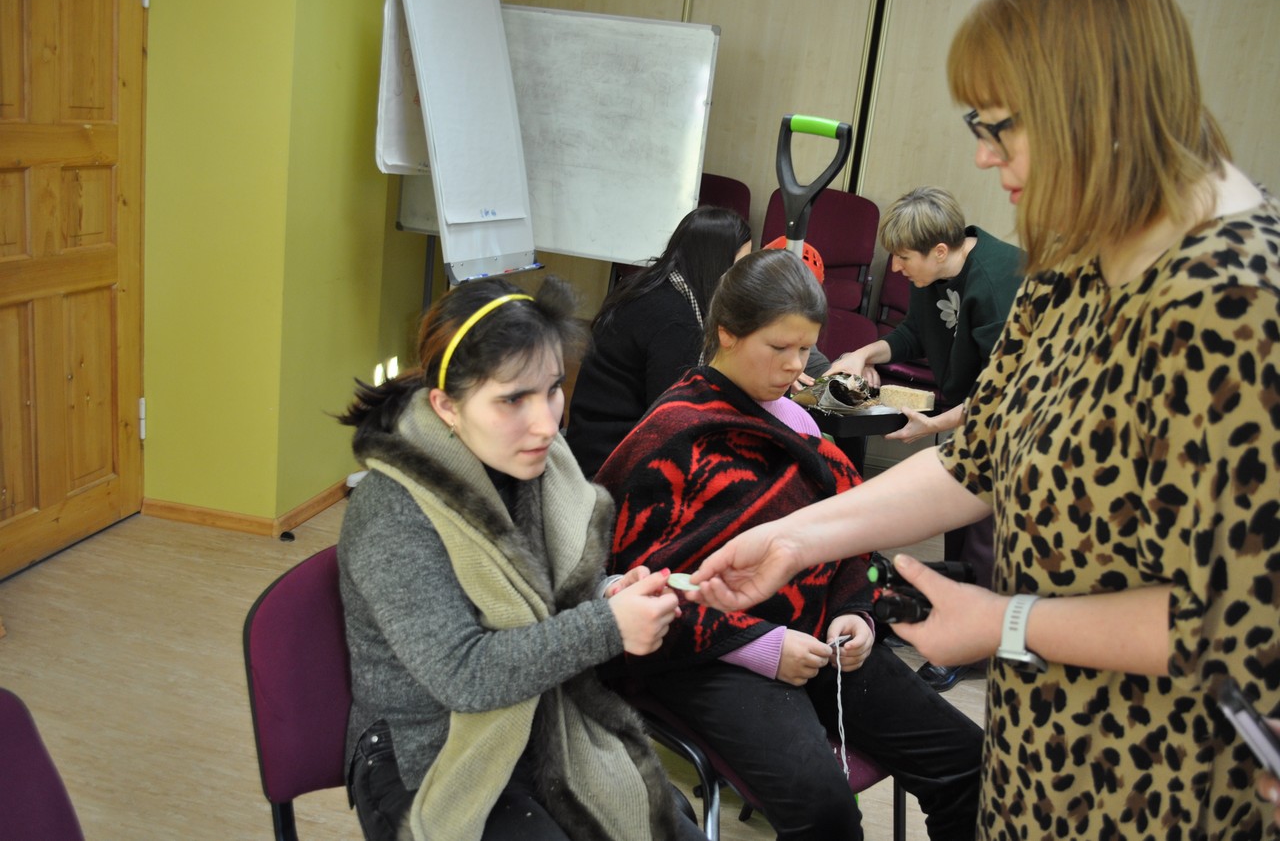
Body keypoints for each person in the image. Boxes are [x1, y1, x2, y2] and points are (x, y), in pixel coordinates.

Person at [687, 0, 1280, 839]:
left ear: (1097, 104)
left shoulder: (1238, 302)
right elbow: (977, 459)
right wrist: (796, 538)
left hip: (1155, 782)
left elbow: (1232, 620)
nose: (981, 153)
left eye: (1000, 125)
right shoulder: (1076, 255)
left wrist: (1006, 621)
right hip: (1039, 743)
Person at [595, 248, 983, 841]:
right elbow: (643, 590)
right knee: (824, 813)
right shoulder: (673, 434)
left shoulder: (798, 423)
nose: (796, 366)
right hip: (709, 655)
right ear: (727, 333)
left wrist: (855, 612)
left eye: (806, 349)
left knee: (969, 762)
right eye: (779, 348)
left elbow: (848, 534)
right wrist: (764, 647)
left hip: (822, 635)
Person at [336, 276, 707, 841]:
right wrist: (608, 626)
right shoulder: (392, 511)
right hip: (423, 749)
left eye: (553, 389)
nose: (547, 424)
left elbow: (550, 597)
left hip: (536, 711)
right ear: (447, 406)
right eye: (513, 399)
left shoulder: (534, 465)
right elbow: (464, 676)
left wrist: (606, 593)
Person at [826, 186, 1022, 691]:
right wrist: (863, 354)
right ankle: (953, 621)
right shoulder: (932, 273)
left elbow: (1007, 389)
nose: (895, 268)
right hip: (969, 411)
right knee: (959, 523)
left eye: (903, 258)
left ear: (939, 250)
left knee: (985, 534)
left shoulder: (998, 282)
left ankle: (974, 646)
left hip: (1016, 418)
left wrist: (935, 425)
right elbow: (914, 333)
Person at [567, 207, 831, 477]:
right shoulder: (673, 320)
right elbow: (677, 426)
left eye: (802, 350)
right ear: (716, 262)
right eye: (740, 264)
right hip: (609, 465)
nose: (744, 279)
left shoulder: (655, 287)